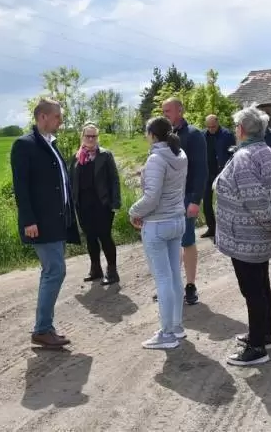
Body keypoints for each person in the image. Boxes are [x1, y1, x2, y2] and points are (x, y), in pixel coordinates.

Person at [214, 103, 271, 366]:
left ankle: (257, 347)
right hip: (261, 237)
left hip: (247, 238)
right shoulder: (270, 153)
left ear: (241, 129)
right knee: (262, 286)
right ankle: (263, 335)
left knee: (252, 290)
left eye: (236, 126)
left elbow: (254, 198)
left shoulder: (244, 157)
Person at [10, 98, 81, 349]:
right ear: (43, 117)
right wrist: (28, 219)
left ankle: (44, 328)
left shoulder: (51, 144)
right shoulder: (25, 145)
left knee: (52, 271)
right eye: (57, 116)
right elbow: (21, 186)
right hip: (41, 223)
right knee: (55, 271)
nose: (60, 121)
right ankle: (42, 330)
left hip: (57, 220)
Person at [128, 116, 189, 349]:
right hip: (177, 220)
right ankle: (176, 326)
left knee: (163, 278)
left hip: (158, 224)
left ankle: (166, 334)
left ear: (152, 135)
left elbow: (151, 197)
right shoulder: (180, 155)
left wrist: (134, 211)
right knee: (174, 276)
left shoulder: (156, 159)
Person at [160, 97, 207, 305]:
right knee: (170, 242)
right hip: (167, 197)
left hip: (186, 196)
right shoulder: (164, 135)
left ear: (180, 111)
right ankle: (172, 285)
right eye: (163, 111)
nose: (164, 115)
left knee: (186, 240)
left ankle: (190, 285)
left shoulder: (194, 134)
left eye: (168, 111)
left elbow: (202, 170)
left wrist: (196, 200)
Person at [68, 123, 122, 285]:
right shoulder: (76, 157)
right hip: (83, 205)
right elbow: (71, 181)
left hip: (103, 204)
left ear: (97, 137)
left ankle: (112, 272)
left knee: (105, 236)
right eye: (88, 136)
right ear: (82, 137)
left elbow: (114, 180)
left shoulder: (105, 155)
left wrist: (115, 202)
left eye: (94, 136)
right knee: (90, 237)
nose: (91, 139)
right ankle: (95, 269)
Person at [201, 114, 237, 239]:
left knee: (224, 202)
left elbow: (233, 154)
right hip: (207, 173)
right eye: (209, 127)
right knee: (206, 202)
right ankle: (211, 228)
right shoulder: (202, 135)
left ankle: (226, 229)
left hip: (222, 173)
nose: (211, 129)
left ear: (218, 123)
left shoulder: (227, 135)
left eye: (213, 126)